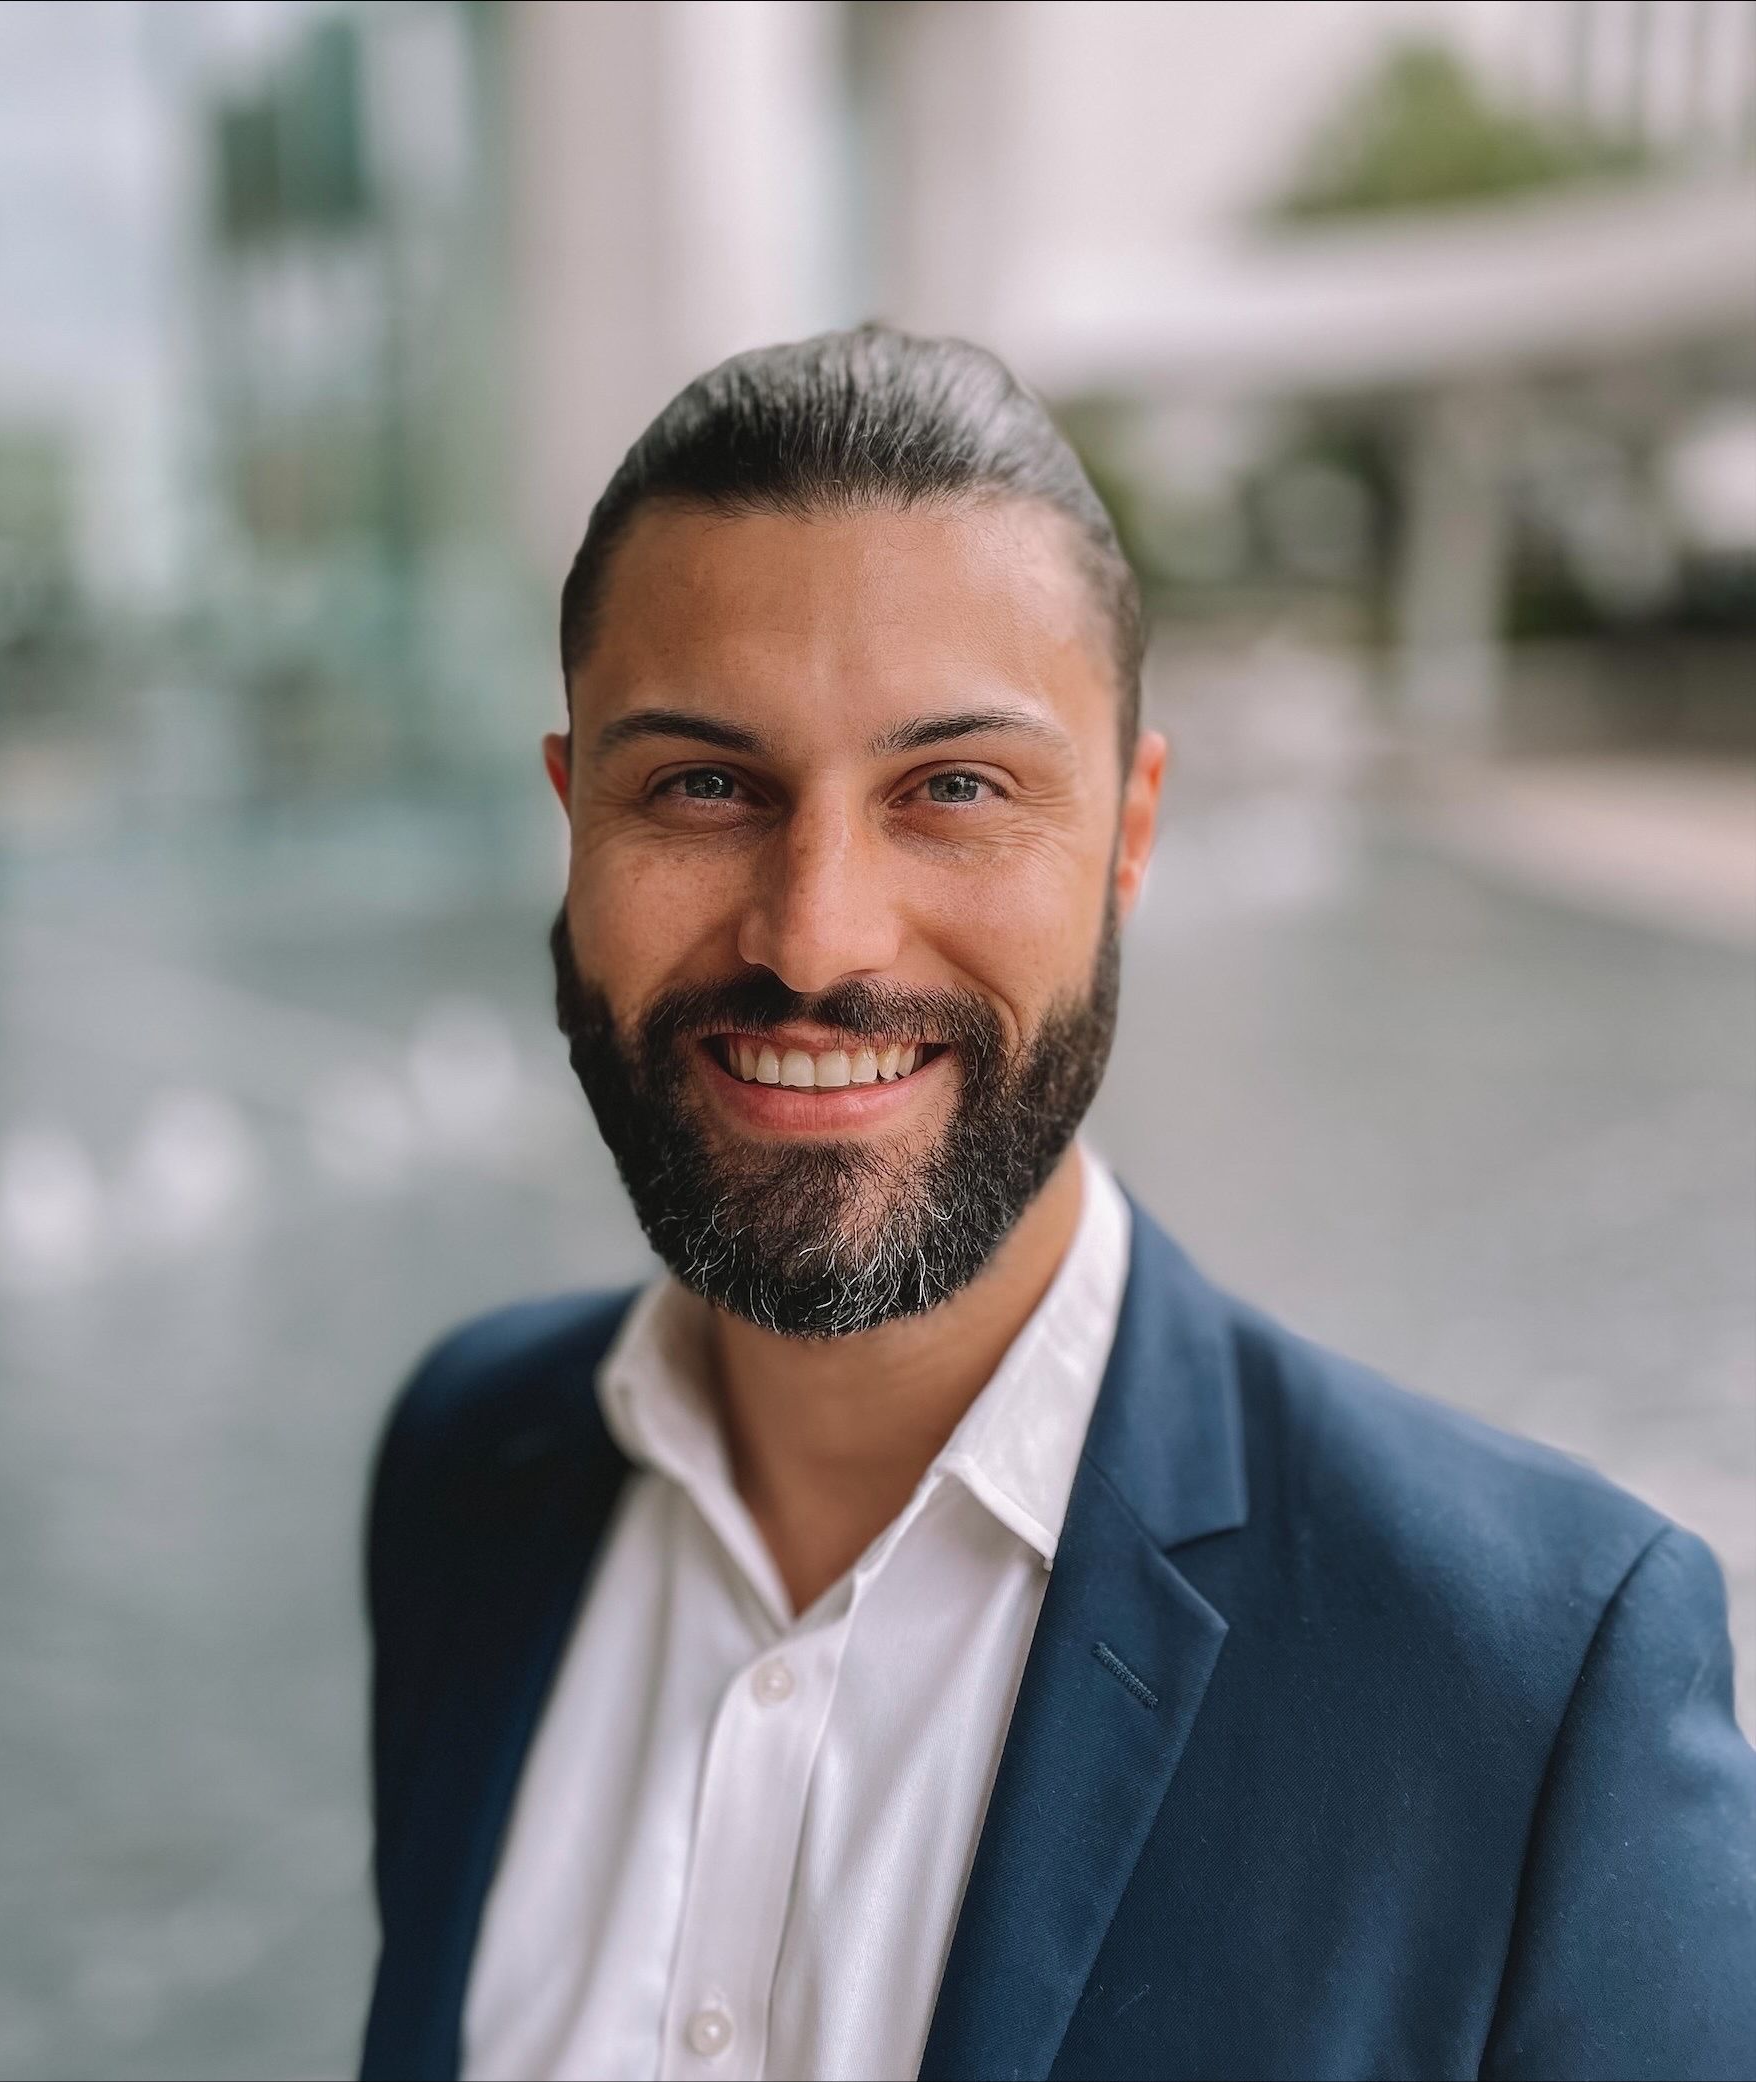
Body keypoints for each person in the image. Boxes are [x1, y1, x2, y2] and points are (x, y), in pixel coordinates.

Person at [358, 326, 1754, 2082]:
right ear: (574, 820)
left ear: (1130, 834)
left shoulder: (1536, 1679)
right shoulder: (464, 1465)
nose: (815, 935)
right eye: (702, 785)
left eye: (953, 788)